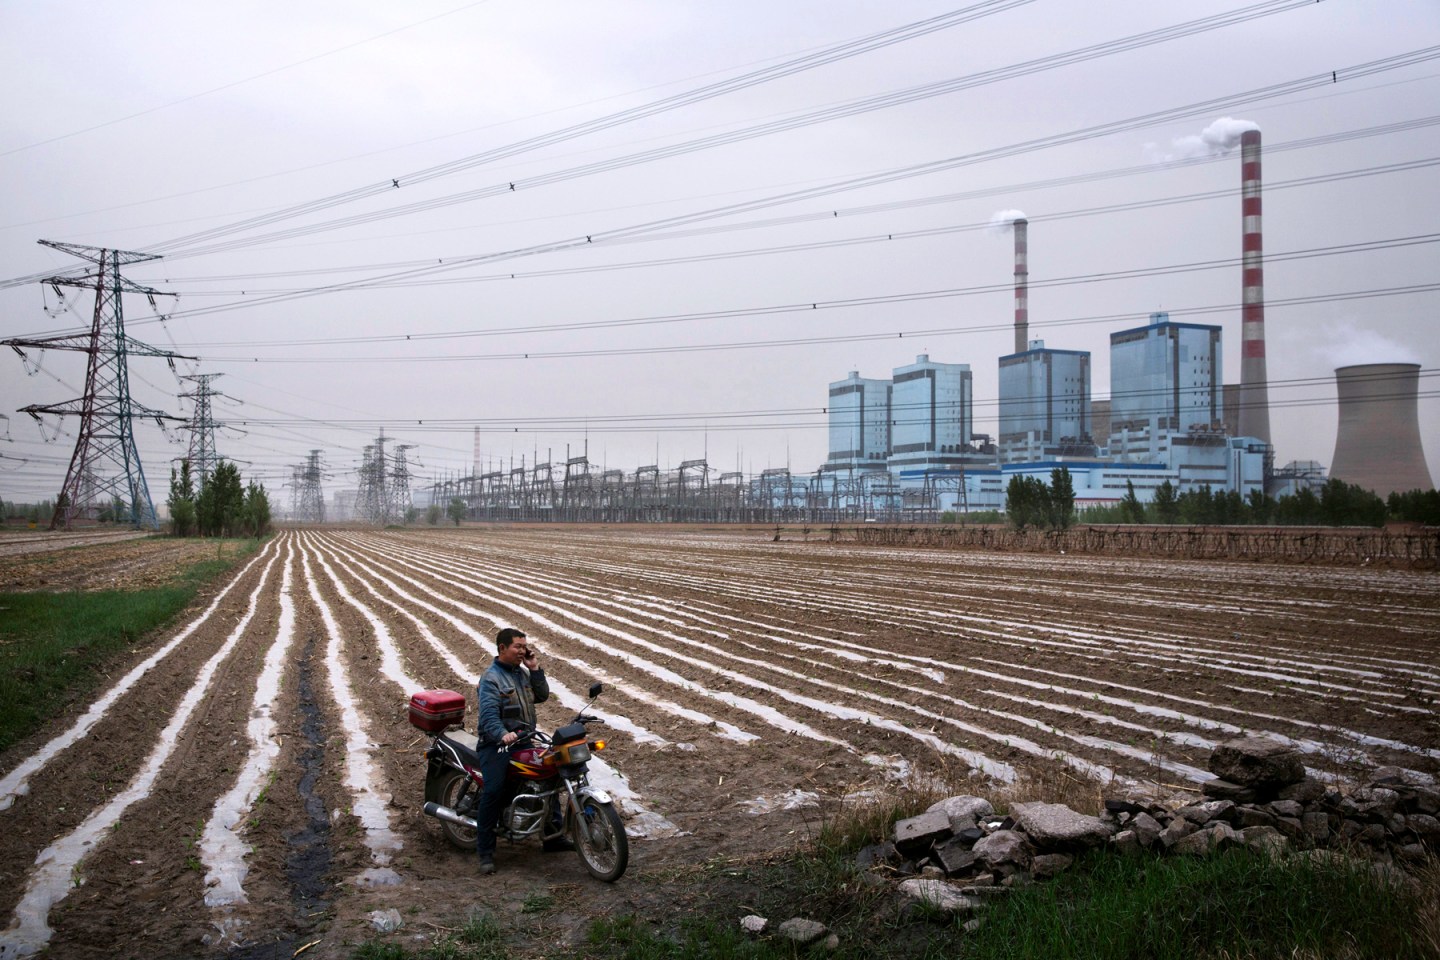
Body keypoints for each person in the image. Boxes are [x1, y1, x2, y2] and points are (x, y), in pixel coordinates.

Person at [473, 627, 571, 873]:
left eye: (524, 646)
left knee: (550, 774)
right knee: (493, 791)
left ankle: (552, 837)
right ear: (502, 648)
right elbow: (488, 717)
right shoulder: (491, 678)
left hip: (524, 740)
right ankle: (485, 852)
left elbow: (542, 695)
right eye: (518, 646)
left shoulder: (521, 673)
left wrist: (535, 668)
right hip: (496, 745)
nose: (522, 651)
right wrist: (502, 735)